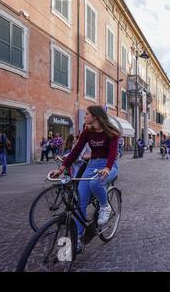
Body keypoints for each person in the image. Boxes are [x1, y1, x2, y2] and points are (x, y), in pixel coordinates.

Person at [50, 106, 120, 253]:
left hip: (109, 165)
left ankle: (104, 206)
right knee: (79, 203)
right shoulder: (87, 132)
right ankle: (78, 240)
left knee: (96, 182)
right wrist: (62, 168)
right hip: (92, 165)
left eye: (87, 114)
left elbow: (113, 153)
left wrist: (107, 168)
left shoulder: (112, 133)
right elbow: (75, 151)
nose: (85, 116)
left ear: (95, 116)